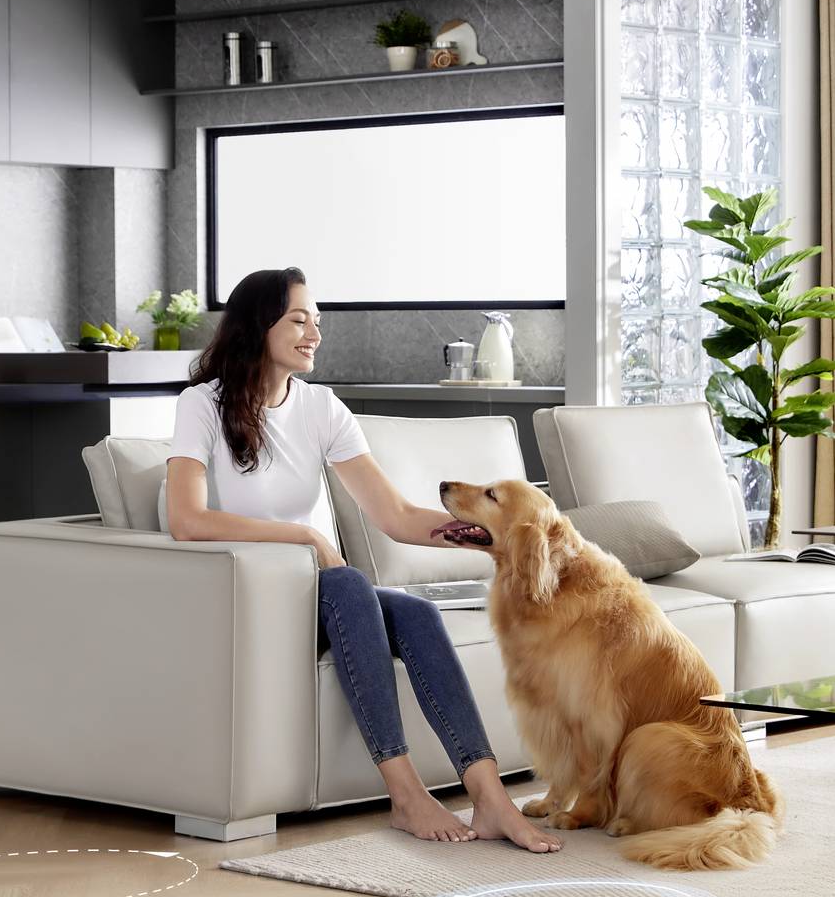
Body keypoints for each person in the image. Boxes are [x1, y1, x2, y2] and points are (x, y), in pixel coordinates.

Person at [162, 266, 558, 853]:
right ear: (257, 326)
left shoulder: (322, 407)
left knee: (416, 615)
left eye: (316, 322)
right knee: (349, 586)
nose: (314, 333)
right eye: (299, 320)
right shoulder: (203, 405)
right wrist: (303, 537)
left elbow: (396, 515)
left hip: (325, 592)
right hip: (253, 596)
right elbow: (187, 520)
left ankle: (490, 797)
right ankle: (404, 795)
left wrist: (480, 534)